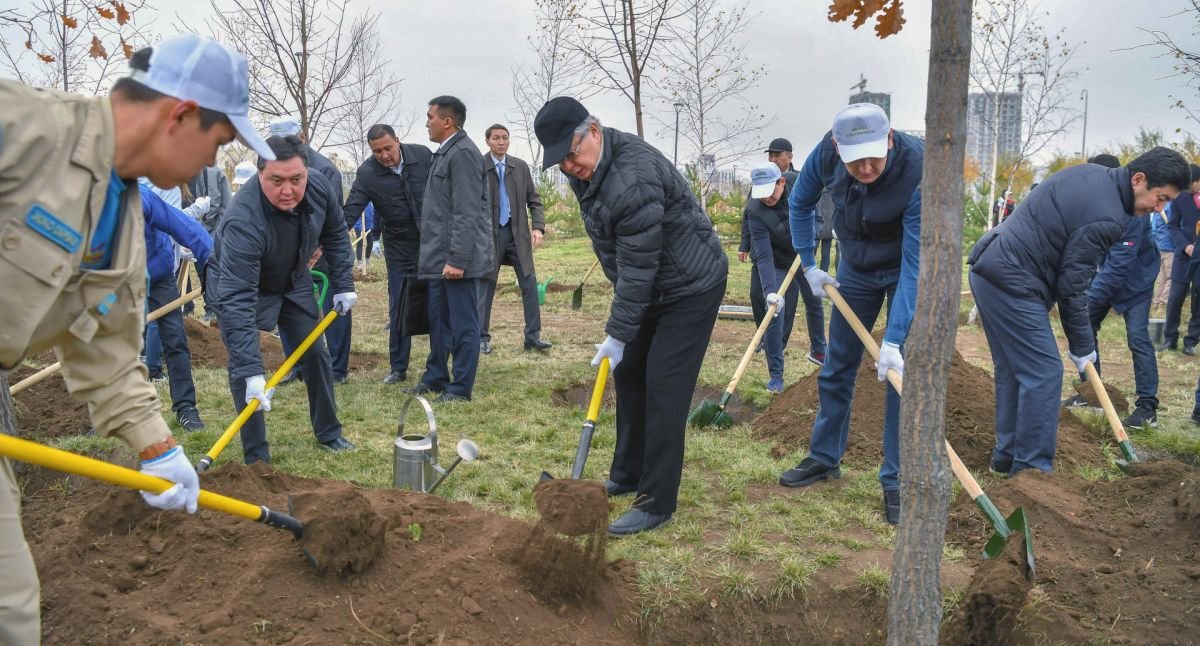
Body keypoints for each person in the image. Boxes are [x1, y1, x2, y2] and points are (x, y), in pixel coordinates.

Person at [0, 33, 270, 642]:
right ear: (180, 115)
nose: (210, 166)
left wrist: (158, 449)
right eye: (218, 143)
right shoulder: (24, 125)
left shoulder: (122, 229)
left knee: (10, 607)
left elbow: (110, 360)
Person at [535, 97, 728, 536]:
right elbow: (628, 262)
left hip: (690, 286)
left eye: (572, 153)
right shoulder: (590, 169)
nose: (568, 166)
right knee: (629, 374)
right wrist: (624, 336)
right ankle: (627, 472)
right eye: (560, 161)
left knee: (664, 383)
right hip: (650, 286)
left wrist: (618, 332)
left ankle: (657, 500)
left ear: (595, 131)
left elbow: (640, 265)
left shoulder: (632, 178)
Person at [968, 147, 1188, 476]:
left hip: (992, 268)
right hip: (1012, 279)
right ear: (1139, 180)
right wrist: (1083, 346)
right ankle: (1031, 474)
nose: (1159, 209)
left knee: (1016, 369)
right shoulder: (1109, 216)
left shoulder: (1092, 176)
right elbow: (1073, 285)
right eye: (1160, 198)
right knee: (1043, 372)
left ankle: (1006, 459)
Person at [776, 103, 923, 526]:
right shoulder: (825, 154)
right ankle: (825, 457)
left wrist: (893, 340)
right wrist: (808, 263)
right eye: (855, 159)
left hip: (901, 269)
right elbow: (800, 203)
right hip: (855, 267)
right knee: (836, 366)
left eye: (874, 156)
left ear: (890, 140)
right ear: (838, 148)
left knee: (898, 377)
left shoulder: (916, 170)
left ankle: (894, 479)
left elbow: (915, 264)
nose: (865, 167)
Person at [206, 135, 357, 463]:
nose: (287, 190)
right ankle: (257, 457)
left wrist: (344, 283)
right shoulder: (242, 221)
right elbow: (237, 300)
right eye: (276, 180)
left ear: (306, 172)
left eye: (295, 179)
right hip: (244, 287)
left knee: (315, 351)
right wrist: (252, 370)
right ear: (260, 174)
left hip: (293, 278)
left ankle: (329, 432)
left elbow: (334, 232)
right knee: (245, 371)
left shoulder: (317, 186)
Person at [407, 96, 492, 403]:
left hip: (458, 262)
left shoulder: (464, 154)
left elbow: (466, 212)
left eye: (430, 117)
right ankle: (435, 377)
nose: (426, 122)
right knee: (439, 322)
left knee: (463, 323)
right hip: (440, 259)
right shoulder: (445, 153)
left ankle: (460, 388)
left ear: (448, 121)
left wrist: (457, 259)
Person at [265, 116, 353, 385]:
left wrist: (316, 252)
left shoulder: (325, 170)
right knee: (289, 308)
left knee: (332, 308)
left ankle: (337, 370)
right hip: (289, 256)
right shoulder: (272, 168)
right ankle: (296, 365)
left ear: (302, 137)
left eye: (289, 141)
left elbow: (332, 220)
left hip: (320, 253)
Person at [343, 124, 433, 384]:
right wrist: (331, 240)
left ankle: (437, 364)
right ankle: (398, 367)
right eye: (377, 151)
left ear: (398, 141)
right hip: (399, 244)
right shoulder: (368, 173)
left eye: (387, 148)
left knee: (437, 302)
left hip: (431, 241)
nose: (383, 155)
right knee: (399, 304)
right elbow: (351, 209)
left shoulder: (423, 156)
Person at [138, 181, 213, 431]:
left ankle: (185, 408)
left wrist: (211, 263)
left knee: (175, 340)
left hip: (158, 275)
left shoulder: (139, 197)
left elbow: (183, 226)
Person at [1084, 203, 1162, 429]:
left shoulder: (1135, 211)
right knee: (1084, 327)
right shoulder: (1098, 203)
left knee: (1137, 338)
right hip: (1105, 277)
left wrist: (1091, 300)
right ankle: (1091, 393)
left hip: (1136, 283)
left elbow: (1120, 263)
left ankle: (1147, 408)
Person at [477, 123, 552, 354]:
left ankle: (533, 337)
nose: (501, 142)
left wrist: (538, 227)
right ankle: (481, 338)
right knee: (485, 286)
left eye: (505, 138)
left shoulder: (519, 167)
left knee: (529, 285)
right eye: (496, 138)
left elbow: (534, 199)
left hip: (516, 234)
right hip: (490, 237)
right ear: (487, 141)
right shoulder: (479, 166)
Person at [745, 163, 801, 394]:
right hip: (772, 261)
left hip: (798, 257)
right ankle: (776, 375)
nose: (766, 198)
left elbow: (817, 219)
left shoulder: (800, 191)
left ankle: (820, 350)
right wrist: (771, 292)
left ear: (782, 183)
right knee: (773, 311)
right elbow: (765, 255)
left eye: (771, 191)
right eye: (762, 192)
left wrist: (810, 242)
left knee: (791, 312)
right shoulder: (755, 209)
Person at [1162, 164, 1200, 353]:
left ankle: (1191, 342)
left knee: (1198, 302)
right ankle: (1170, 339)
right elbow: (1173, 226)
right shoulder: (1180, 198)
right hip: (1184, 256)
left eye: (1190, 184)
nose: (1187, 188)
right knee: (1175, 298)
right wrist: (1185, 245)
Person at [1152, 199, 1175, 309]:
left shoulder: (1159, 206)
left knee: (1161, 277)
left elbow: (1153, 229)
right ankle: (1163, 303)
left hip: (1159, 246)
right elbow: (1174, 226)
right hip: (1170, 247)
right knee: (1171, 277)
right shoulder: (1171, 206)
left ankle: (1156, 302)